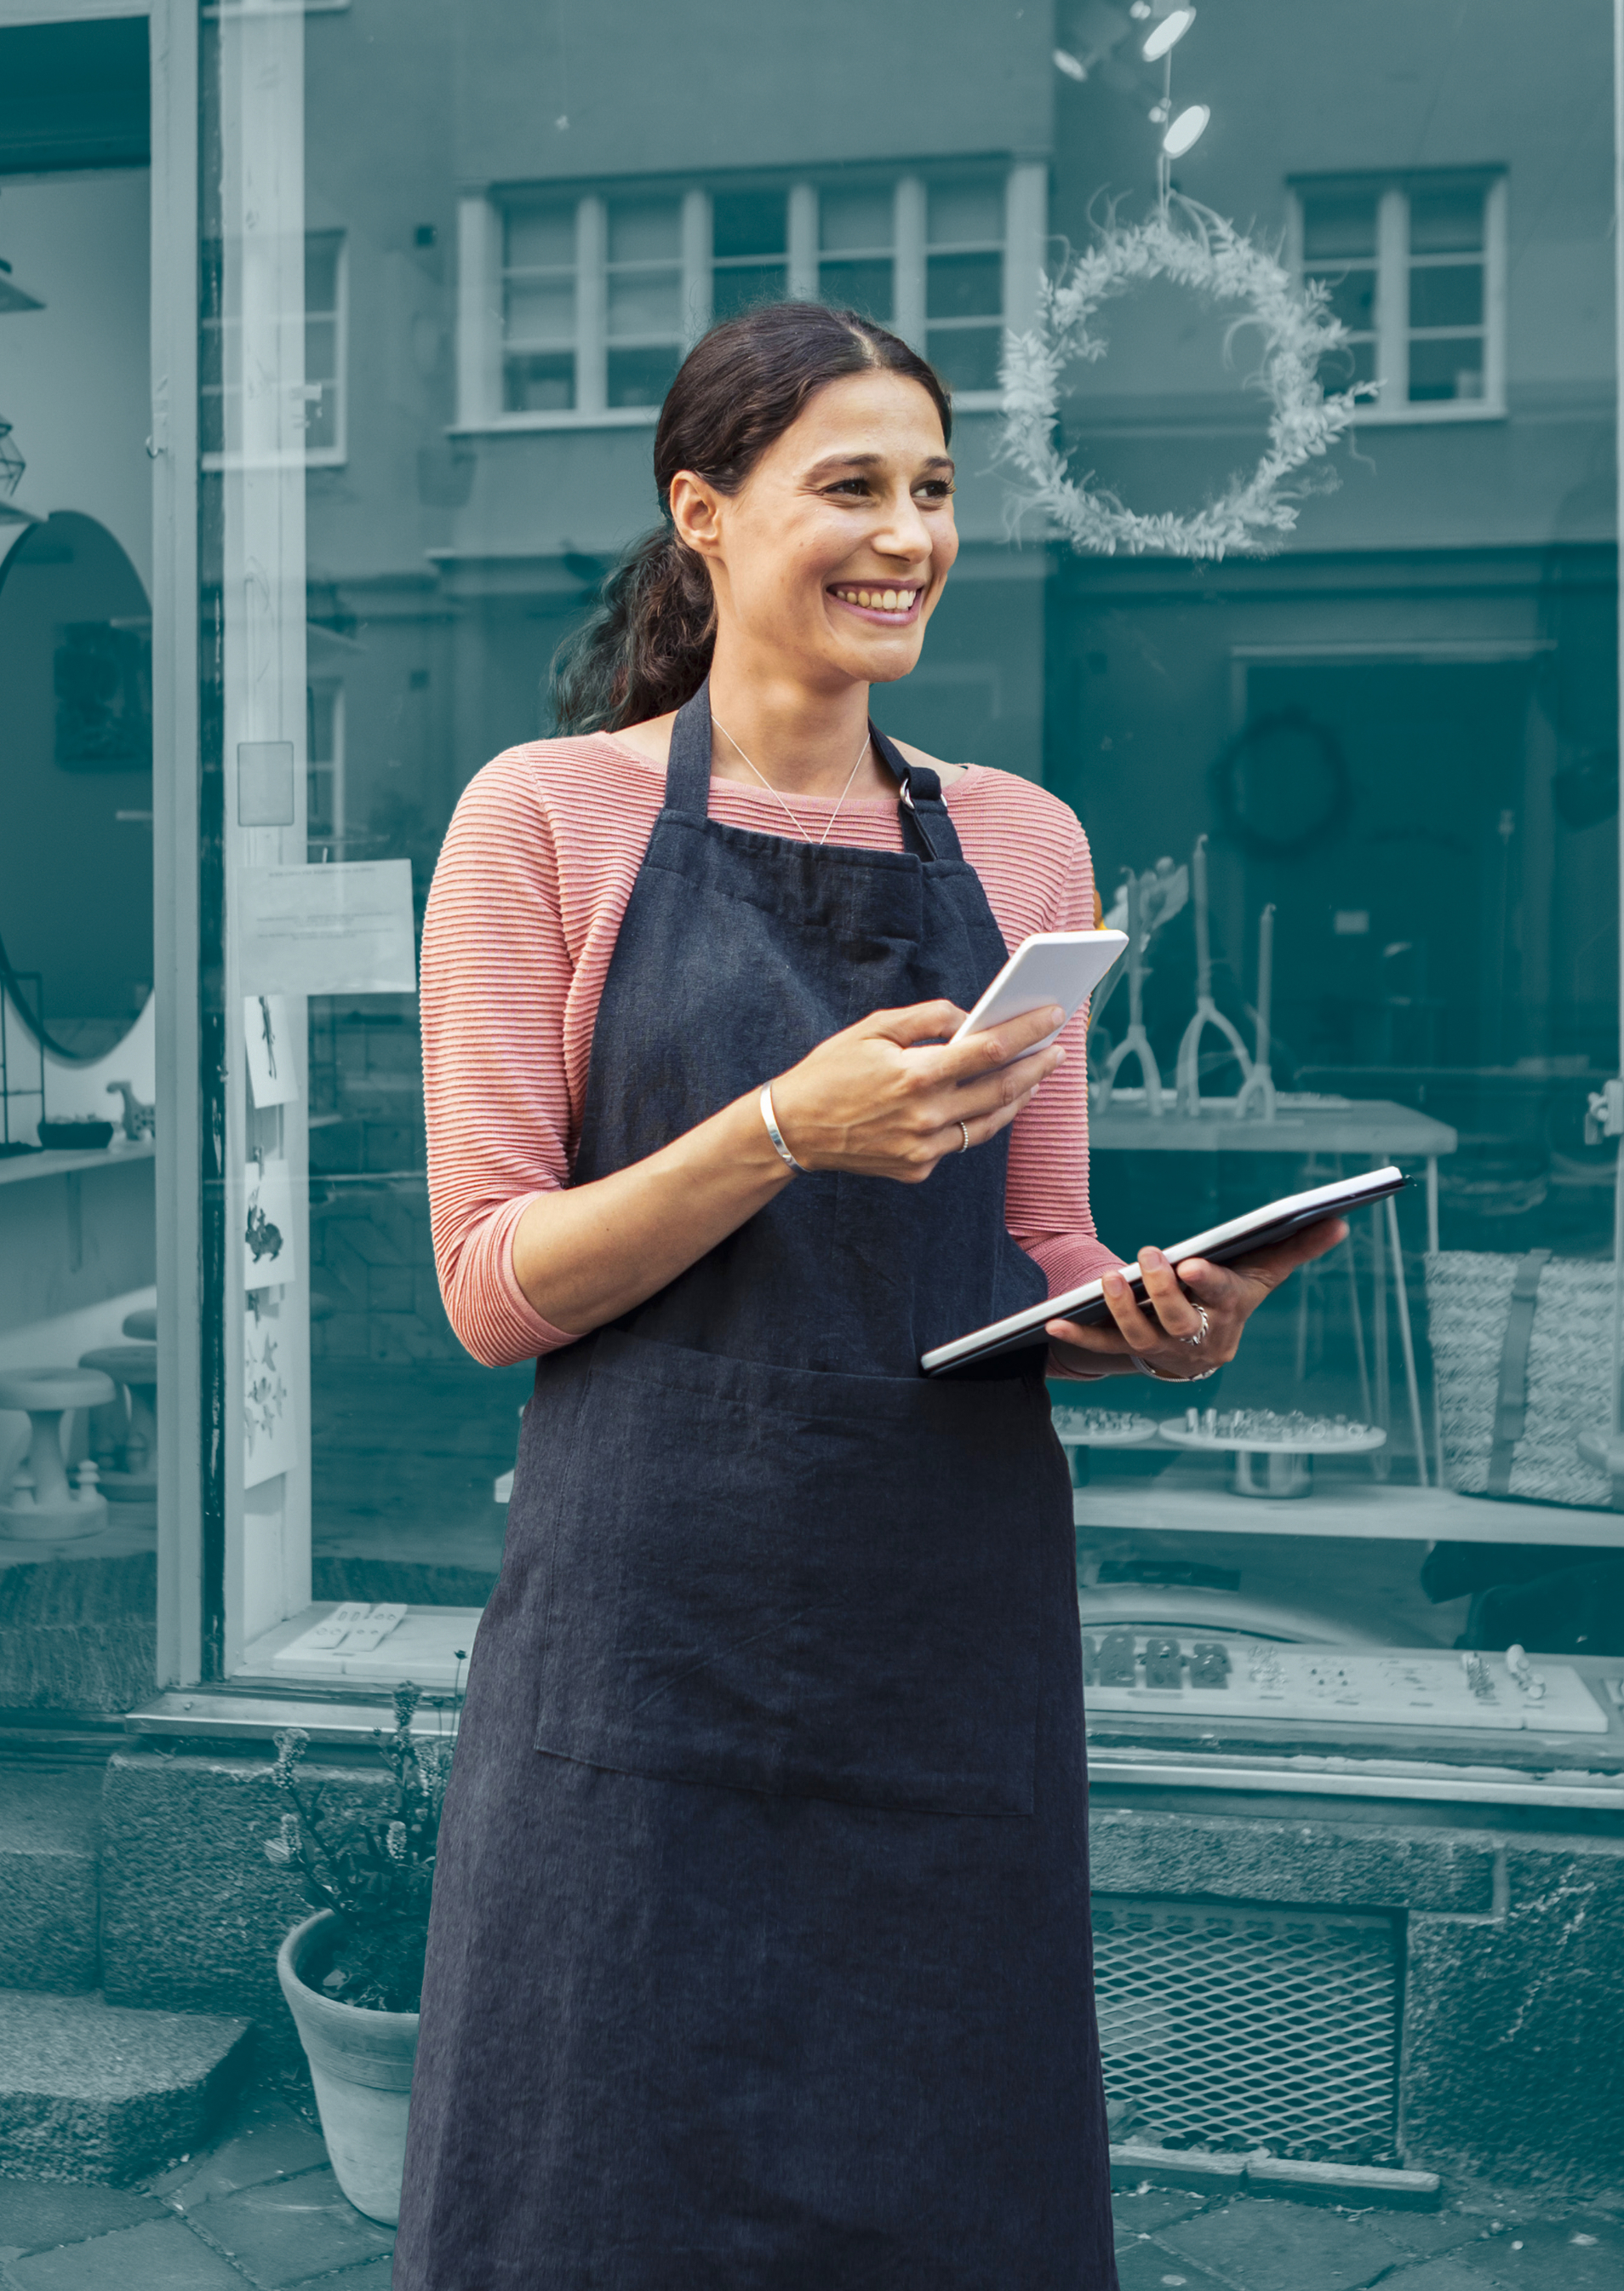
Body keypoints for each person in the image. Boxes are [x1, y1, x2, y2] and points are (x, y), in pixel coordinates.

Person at [397, 301, 1347, 2289]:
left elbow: (1036, 1236)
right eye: (847, 485)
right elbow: (492, 1286)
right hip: (641, 1627)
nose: (904, 533)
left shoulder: (1016, 837)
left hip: (943, 1620)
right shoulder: (541, 818)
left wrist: (1148, 1314)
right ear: (701, 515)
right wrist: (780, 1129)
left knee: (942, 2169)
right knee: (593, 2166)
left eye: (931, 489)